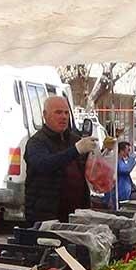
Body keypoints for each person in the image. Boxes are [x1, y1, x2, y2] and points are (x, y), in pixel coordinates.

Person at [24, 95, 97, 224]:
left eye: (66, 113)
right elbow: (44, 165)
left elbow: (90, 170)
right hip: (46, 216)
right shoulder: (36, 142)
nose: (63, 117)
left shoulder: (74, 140)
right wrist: (75, 150)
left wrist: (104, 155)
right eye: (58, 112)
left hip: (76, 215)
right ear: (45, 115)